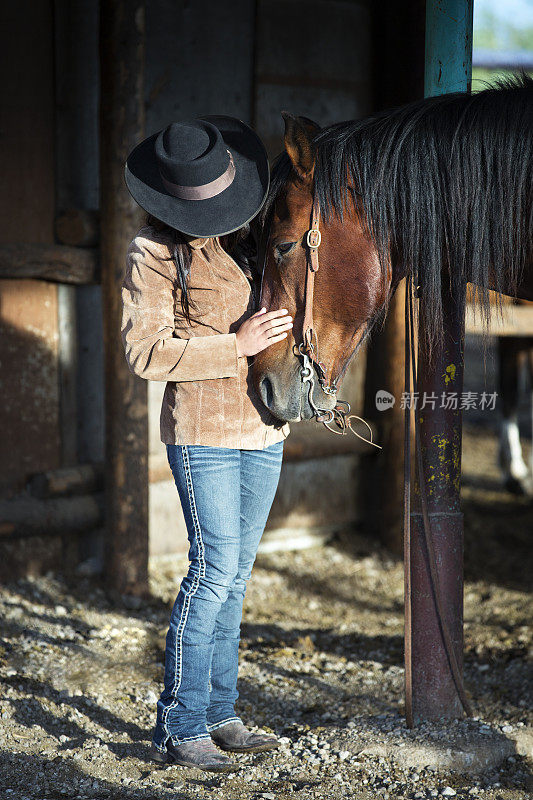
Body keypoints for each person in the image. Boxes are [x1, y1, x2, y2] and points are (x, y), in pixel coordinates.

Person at [121, 116, 293, 773]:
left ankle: (219, 714)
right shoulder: (154, 252)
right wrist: (237, 346)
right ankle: (179, 725)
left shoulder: (257, 235)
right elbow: (145, 352)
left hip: (263, 427)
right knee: (212, 572)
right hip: (203, 433)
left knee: (236, 578)